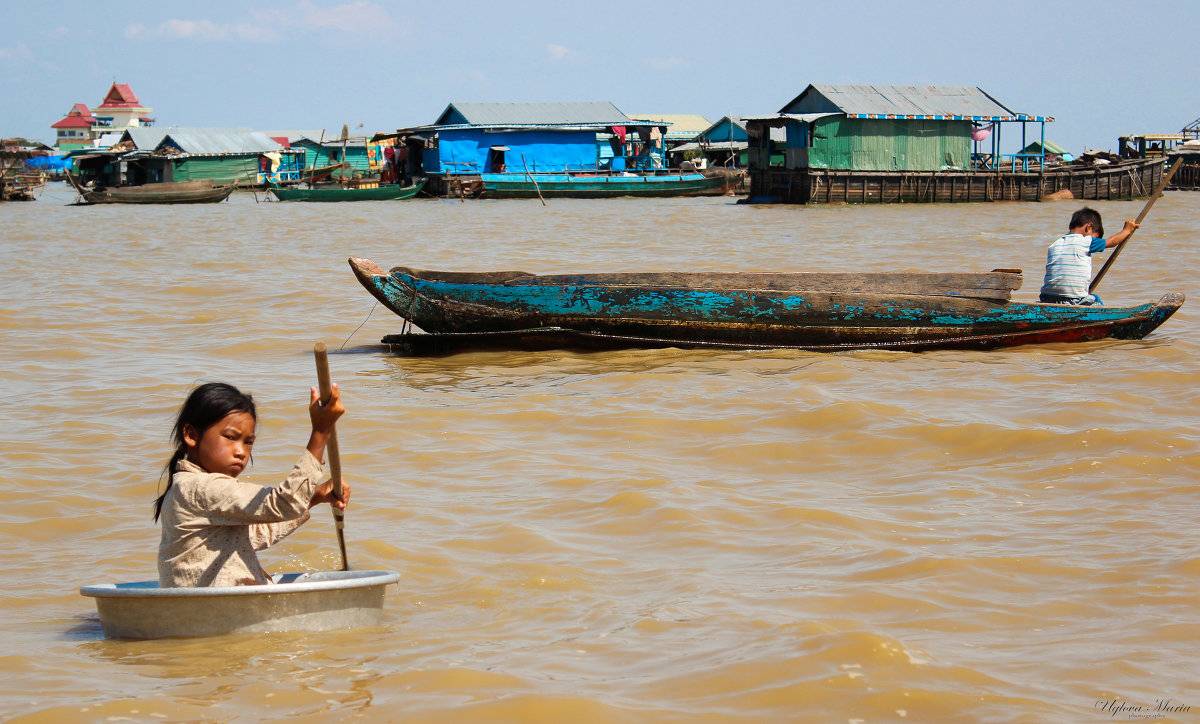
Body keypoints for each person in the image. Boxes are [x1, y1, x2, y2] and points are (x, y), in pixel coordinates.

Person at [155, 382, 350, 587]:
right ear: (191, 435)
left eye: (248, 442)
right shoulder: (198, 487)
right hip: (215, 609)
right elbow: (284, 504)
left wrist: (314, 497)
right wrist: (320, 433)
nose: (241, 452)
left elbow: (256, 534)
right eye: (230, 438)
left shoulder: (192, 488)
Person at [1039, 207, 1138, 305]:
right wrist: (1126, 230)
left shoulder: (1055, 244)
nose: (1095, 241)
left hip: (1046, 297)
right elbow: (1112, 242)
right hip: (1073, 299)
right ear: (1088, 227)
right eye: (1096, 237)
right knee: (1096, 300)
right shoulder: (1086, 241)